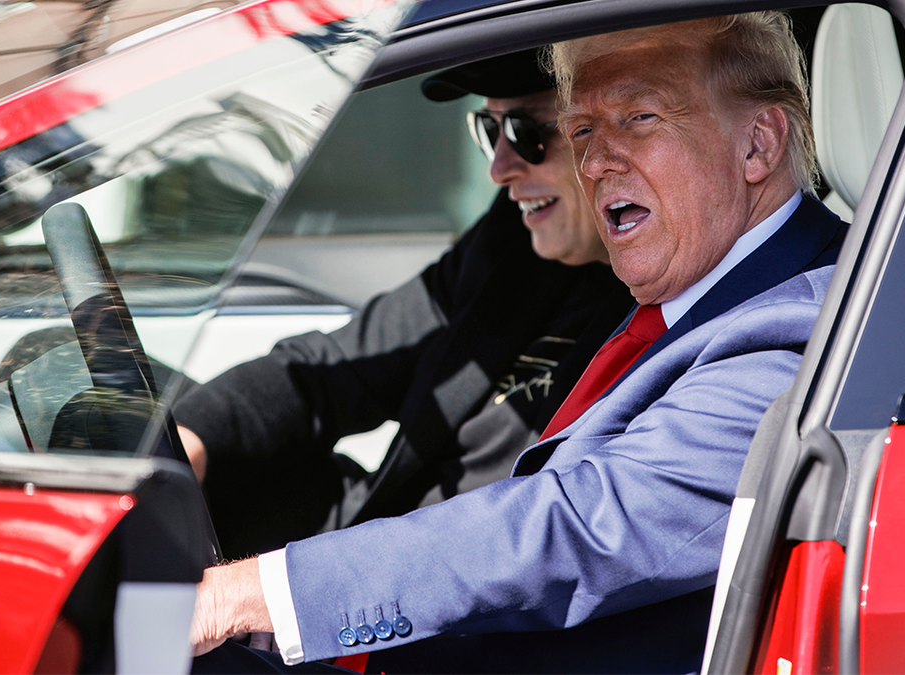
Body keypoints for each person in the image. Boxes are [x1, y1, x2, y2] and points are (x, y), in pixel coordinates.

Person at [189, 12, 848, 674]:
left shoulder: (797, 323)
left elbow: (580, 526)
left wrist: (259, 594)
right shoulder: (694, 278)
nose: (592, 161)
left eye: (637, 118)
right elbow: (332, 372)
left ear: (758, 145)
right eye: (581, 130)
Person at [174, 50, 636, 559]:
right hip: (369, 535)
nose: (501, 169)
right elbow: (334, 370)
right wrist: (193, 437)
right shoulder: (511, 242)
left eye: (529, 132)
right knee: (131, 420)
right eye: (488, 131)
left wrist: (276, 597)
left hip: (440, 593)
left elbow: (537, 549)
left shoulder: (671, 310)